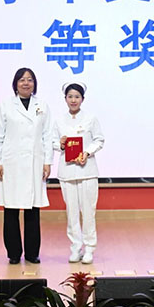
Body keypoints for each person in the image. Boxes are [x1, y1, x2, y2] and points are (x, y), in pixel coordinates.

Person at [0, 68, 53, 265]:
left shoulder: (42, 105)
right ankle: (14, 253)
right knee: (10, 210)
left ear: (35, 84)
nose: (26, 83)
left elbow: (47, 135)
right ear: (15, 84)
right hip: (11, 164)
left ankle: (32, 253)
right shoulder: (6, 105)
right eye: (22, 80)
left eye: (30, 80)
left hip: (35, 162)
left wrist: (47, 161)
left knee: (33, 209)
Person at [53, 82, 104, 264]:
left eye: (77, 97)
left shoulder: (91, 118)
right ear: (65, 98)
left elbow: (99, 140)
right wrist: (60, 144)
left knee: (88, 211)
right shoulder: (59, 120)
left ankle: (89, 248)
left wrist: (87, 152)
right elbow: (52, 142)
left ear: (82, 99)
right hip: (67, 172)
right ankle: (75, 247)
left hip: (87, 171)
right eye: (70, 97)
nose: (73, 100)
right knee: (72, 212)